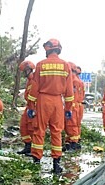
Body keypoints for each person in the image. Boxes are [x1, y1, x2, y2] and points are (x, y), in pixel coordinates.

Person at [27, 38, 74, 174]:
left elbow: (34, 88)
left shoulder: (41, 65)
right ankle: (56, 164)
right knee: (57, 131)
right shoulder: (66, 66)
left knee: (39, 130)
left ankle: (36, 161)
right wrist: (68, 108)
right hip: (57, 102)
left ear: (47, 49)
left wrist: (31, 106)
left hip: (43, 100)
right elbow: (69, 91)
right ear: (58, 49)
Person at [17, 60, 36, 156]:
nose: (24, 72)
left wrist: (33, 108)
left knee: (32, 128)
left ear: (29, 70)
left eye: (25, 70)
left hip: (34, 107)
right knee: (23, 125)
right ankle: (27, 146)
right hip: (29, 106)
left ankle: (34, 149)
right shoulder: (29, 81)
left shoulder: (34, 80)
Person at [63, 62, 82, 152]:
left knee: (72, 124)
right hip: (71, 105)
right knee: (68, 125)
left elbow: (73, 95)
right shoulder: (72, 80)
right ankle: (69, 142)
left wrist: (70, 106)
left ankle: (73, 143)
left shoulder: (74, 81)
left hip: (72, 105)